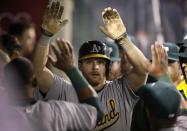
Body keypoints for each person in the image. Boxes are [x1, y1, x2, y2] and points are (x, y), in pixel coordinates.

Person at [34, 5, 149, 131]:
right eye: (89, 62)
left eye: (100, 62)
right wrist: (46, 36)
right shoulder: (65, 90)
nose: (95, 67)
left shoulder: (120, 90)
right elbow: (39, 73)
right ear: (80, 65)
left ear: (106, 66)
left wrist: (123, 39)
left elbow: (143, 69)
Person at [3, 53, 102, 130]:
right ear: (35, 81)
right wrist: (70, 69)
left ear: (5, 84)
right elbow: (96, 112)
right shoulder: (55, 112)